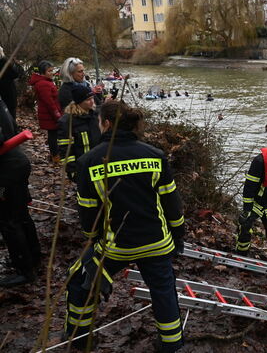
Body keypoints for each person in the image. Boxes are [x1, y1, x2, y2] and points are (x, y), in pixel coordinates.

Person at [64, 101, 185, 351]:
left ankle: (79, 338)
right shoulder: (154, 155)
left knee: (78, 279)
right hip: (157, 242)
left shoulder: (89, 161)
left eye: (99, 121)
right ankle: (172, 344)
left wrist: (92, 241)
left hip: (114, 246)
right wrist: (178, 235)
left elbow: (88, 212)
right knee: (163, 289)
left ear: (106, 124)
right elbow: (172, 204)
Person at [0, 98, 40, 287]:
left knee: (10, 221)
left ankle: (25, 270)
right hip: (16, 163)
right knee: (21, 215)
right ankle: (33, 258)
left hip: (8, 169)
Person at [57, 85, 101, 181]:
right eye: (88, 99)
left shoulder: (96, 116)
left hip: (98, 163)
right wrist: (72, 170)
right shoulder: (67, 121)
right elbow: (65, 149)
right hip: (81, 165)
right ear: (79, 102)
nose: (92, 101)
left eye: (92, 98)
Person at [29, 60, 62, 164]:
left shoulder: (46, 82)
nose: (52, 73)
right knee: (53, 135)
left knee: (53, 135)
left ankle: (54, 154)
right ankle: (55, 156)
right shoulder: (43, 84)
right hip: (49, 115)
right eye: (49, 71)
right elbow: (49, 102)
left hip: (50, 114)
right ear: (43, 72)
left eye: (52, 70)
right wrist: (57, 115)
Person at [0, 45, 24, 119]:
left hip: (8, 98)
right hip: (5, 98)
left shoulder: (4, 62)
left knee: (10, 121)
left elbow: (16, 73)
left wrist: (4, 58)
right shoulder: (4, 62)